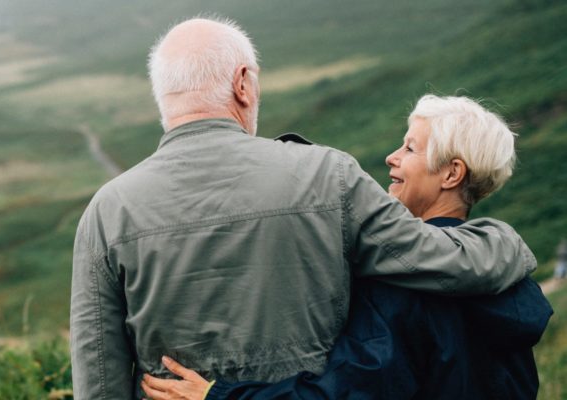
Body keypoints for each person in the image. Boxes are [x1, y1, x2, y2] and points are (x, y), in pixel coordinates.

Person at [70, 17, 536, 398]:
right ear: (243, 84)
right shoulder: (328, 176)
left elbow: (100, 377)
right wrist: (506, 241)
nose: (394, 158)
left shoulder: (106, 211)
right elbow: (440, 259)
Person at [140, 95, 553, 399]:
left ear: (451, 174)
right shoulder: (512, 282)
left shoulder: (402, 283)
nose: (392, 158)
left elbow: (346, 394)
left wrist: (217, 396)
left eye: (410, 148)